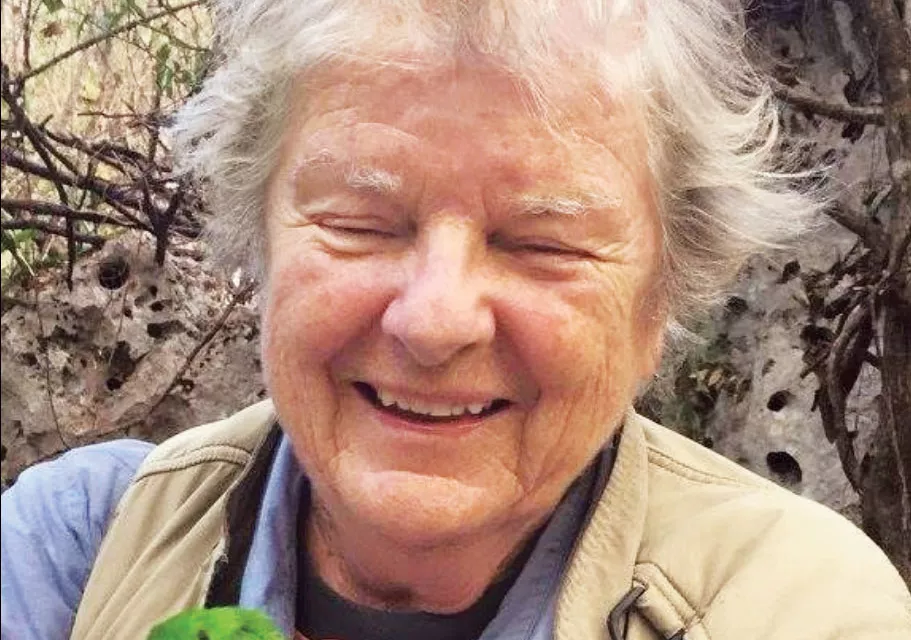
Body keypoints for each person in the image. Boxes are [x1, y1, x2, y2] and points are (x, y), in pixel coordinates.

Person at [3, 0, 910, 638]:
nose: (434, 321)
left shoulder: (799, 609)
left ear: (659, 301)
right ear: (260, 244)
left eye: (543, 243)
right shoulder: (81, 547)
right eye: (359, 226)